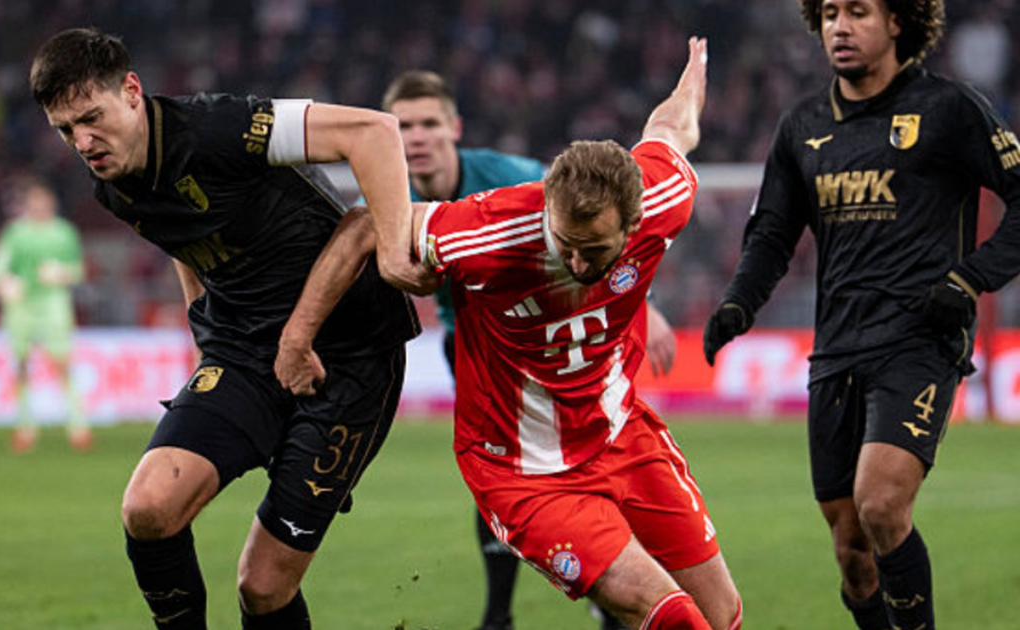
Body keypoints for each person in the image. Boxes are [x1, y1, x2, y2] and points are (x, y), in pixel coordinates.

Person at [299, 37, 741, 630]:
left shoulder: (663, 196)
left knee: (724, 614)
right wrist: (296, 339)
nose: (581, 266)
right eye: (568, 246)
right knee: (671, 616)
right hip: (523, 472)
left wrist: (696, 74)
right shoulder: (494, 230)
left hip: (622, 437)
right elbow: (359, 228)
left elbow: (672, 126)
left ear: (634, 224)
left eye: (597, 251)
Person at [29, 27, 421, 630]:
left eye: (90, 117)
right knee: (149, 509)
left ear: (132, 91)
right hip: (245, 351)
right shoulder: (112, 184)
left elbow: (372, 132)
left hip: (350, 356)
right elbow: (180, 234)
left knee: (262, 587)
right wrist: (202, 327)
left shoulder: (218, 127)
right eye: (65, 130)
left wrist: (395, 252)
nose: (82, 141)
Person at [702, 2, 1020, 629]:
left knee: (880, 504)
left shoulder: (950, 110)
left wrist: (970, 278)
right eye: (828, 14)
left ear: (899, 21)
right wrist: (740, 302)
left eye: (858, 12)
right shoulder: (803, 126)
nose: (839, 27)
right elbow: (772, 233)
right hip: (837, 348)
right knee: (851, 548)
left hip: (919, 341)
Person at [382, 69, 678, 630]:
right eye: (403, 127)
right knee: (501, 465)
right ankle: (503, 613)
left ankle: (602, 575)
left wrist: (650, 304)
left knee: (585, 455)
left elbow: (597, 221)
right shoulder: (391, 189)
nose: (415, 137)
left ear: (454, 127)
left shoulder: (512, 178)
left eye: (427, 124)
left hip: (555, 335)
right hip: (476, 344)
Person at [0, 177, 89, 452]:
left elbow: (78, 270)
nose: (40, 207)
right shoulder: (16, 233)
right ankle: (25, 425)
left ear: (52, 205)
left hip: (54, 302)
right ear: (28, 205)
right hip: (21, 304)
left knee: (63, 362)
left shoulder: (64, 233)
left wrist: (62, 273)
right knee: (21, 364)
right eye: (35, 202)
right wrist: (4, 283)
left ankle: (77, 425)